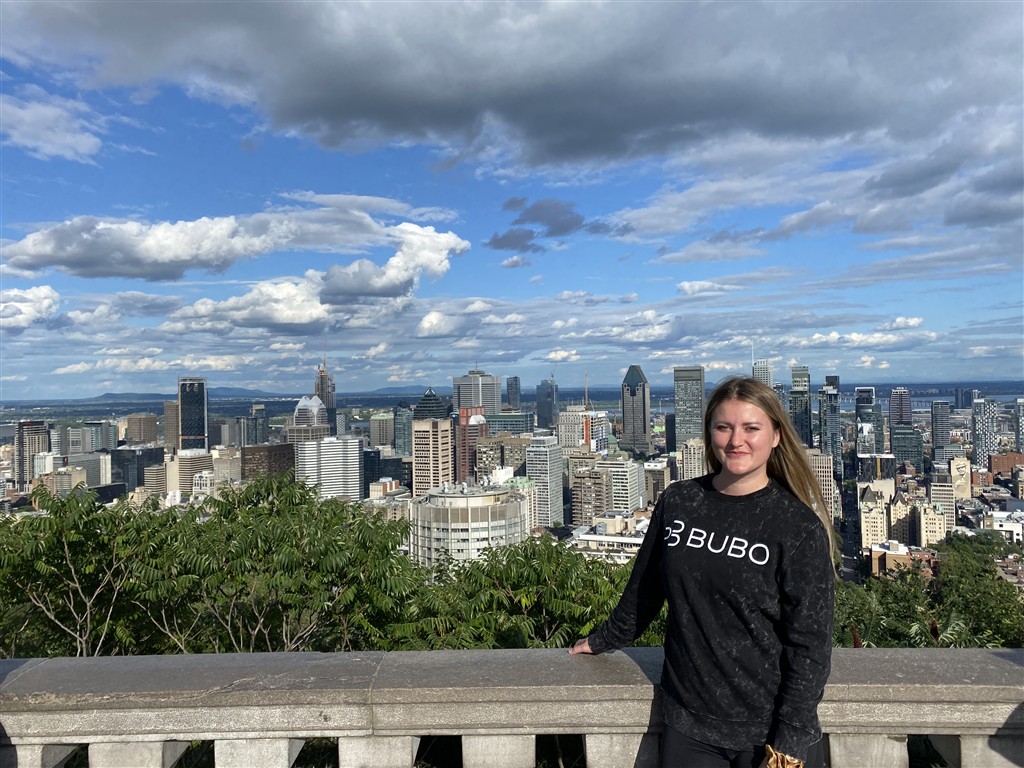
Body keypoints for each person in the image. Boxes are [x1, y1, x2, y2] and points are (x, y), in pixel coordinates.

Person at [570, 376, 836, 768]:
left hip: (767, 732)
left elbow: (810, 644)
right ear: (710, 433)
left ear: (776, 436)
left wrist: (790, 740)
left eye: (751, 428)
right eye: (723, 427)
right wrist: (604, 639)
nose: (736, 440)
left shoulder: (797, 527)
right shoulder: (680, 502)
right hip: (689, 725)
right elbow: (646, 587)